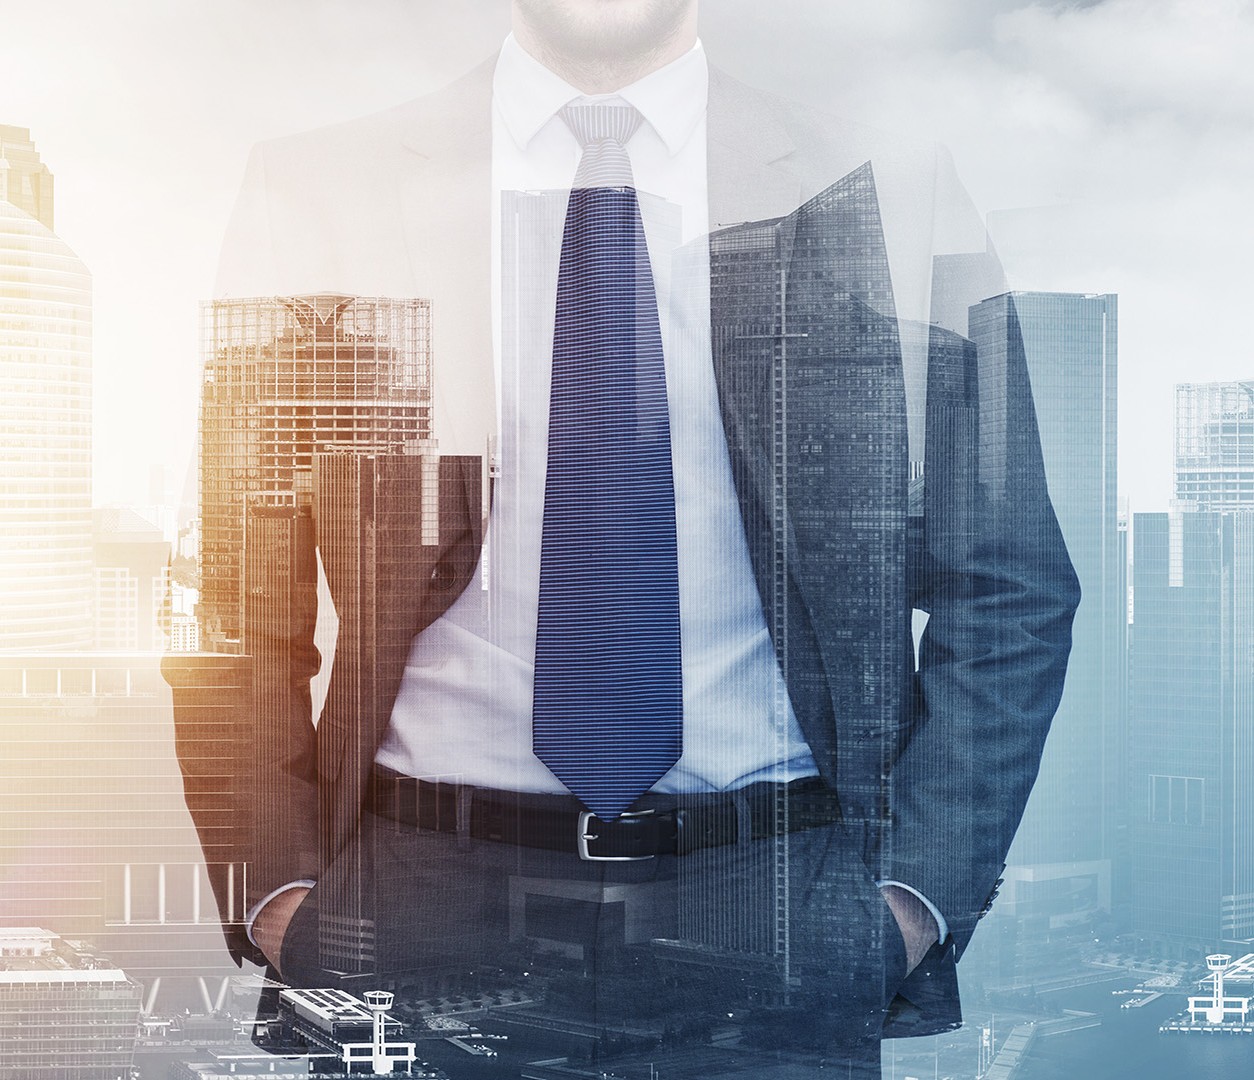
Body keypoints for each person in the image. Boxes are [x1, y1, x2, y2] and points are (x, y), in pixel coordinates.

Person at [171, 1, 1079, 1074]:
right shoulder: (321, 188)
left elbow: (1009, 583)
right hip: (413, 905)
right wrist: (279, 895)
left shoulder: (887, 185)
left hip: (779, 906)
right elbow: (227, 594)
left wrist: (908, 904)